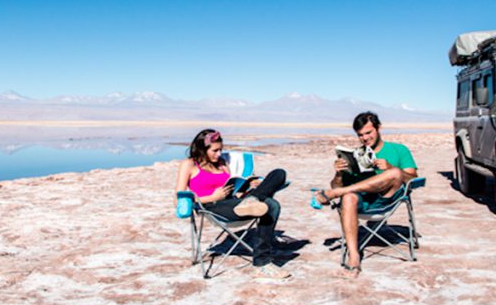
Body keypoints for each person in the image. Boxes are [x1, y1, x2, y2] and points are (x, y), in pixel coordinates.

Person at [312, 111, 418, 276]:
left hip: (386, 200)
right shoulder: (355, 155)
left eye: (368, 133)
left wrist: (389, 167)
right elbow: (335, 185)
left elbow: (413, 179)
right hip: (361, 202)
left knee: (395, 173)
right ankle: (354, 256)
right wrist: (339, 174)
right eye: (360, 135)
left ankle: (338, 193)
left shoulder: (398, 150)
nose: (365, 138)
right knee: (348, 197)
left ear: (378, 128)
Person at [176, 128, 291, 280]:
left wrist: (248, 185)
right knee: (271, 205)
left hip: (235, 201)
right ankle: (262, 264)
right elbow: (179, 199)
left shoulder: (222, 163)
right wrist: (212, 197)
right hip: (212, 207)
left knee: (279, 173)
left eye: (221, 150)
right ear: (202, 149)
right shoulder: (189, 164)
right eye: (215, 150)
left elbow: (233, 188)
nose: (219, 154)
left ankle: (253, 198)